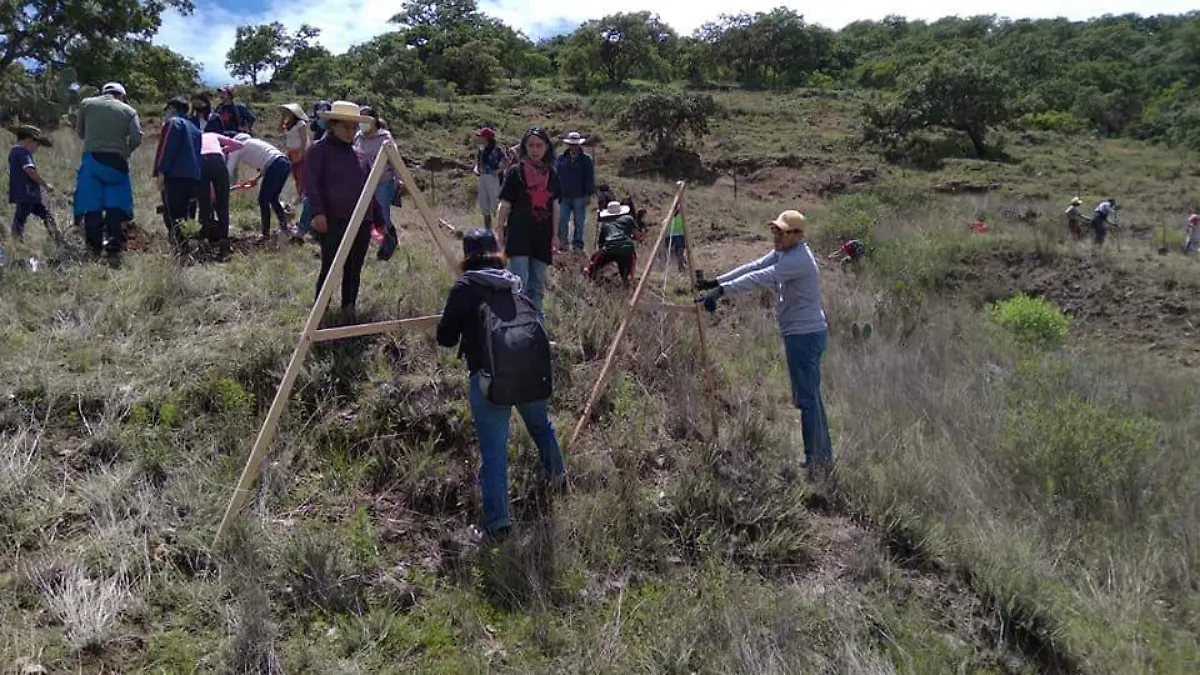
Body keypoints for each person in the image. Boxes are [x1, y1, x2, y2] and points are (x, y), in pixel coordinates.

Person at [436, 228, 565, 539]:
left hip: (489, 380)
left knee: (494, 453)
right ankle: (559, 478)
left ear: (467, 255)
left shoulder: (465, 286)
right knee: (541, 427)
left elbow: (445, 337)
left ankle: (498, 525)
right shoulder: (513, 282)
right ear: (496, 251)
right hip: (528, 371)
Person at [696, 210, 833, 474]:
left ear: (797, 235)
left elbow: (761, 278)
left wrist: (722, 291)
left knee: (807, 399)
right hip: (800, 333)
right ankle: (819, 455)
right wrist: (716, 281)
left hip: (804, 336)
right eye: (775, 231)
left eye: (782, 232)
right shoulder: (785, 252)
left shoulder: (797, 260)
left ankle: (817, 459)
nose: (776, 236)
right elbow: (755, 266)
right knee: (810, 397)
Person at [306, 100, 384, 313]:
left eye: (354, 127)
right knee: (330, 266)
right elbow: (311, 184)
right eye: (346, 127)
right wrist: (318, 212)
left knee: (354, 267)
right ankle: (320, 311)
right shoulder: (318, 151)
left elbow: (369, 190)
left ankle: (349, 307)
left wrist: (379, 219)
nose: (351, 132)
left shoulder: (359, 156)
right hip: (334, 218)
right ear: (333, 125)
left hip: (361, 220)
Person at [74, 81, 143, 263]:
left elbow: (80, 132)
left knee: (91, 205)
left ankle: (94, 248)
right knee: (116, 205)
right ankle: (115, 246)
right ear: (121, 95)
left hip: (92, 161)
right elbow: (137, 137)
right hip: (117, 163)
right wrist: (126, 151)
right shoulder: (129, 111)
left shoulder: (87, 104)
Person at [496, 127, 560, 319]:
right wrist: (499, 230)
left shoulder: (553, 174)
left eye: (539, 145)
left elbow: (555, 206)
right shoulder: (516, 172)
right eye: (530, 145)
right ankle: (517, 323)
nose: (535, 150)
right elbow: (505, 204)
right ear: (524, 147)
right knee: (518, 282)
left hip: (542, 235)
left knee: (537, 285)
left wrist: (555, 235)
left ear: (547, 147)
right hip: (519, 234)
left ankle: (536, 325)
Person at [152, 97, 203, 252]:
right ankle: (187, 246)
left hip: (175, 177)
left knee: (173, 215)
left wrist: (160, 172)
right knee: (187, 215)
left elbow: (166, 149)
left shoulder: (173, 123)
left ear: (172, 108)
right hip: (193, 177)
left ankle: (179, 249)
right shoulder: (195, 129)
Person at [227, 133, 292, 241]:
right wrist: (256, 179)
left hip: (275, 165)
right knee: (273, 198)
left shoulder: (238, 147)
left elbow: (229, 171)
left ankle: (265, 234)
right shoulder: (254, 142)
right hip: (284, 164)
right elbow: (268, 160)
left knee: (263, 199)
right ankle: (284, 227)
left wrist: (222, 187)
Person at [6, 125, 62, 246]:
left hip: (24, 194)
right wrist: (45, 184)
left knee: (45, 215)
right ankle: (16, 246)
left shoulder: (14, 152)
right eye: (37, 145)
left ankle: (57, 239)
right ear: (29, 141)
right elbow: (30, 171)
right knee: (20, 220)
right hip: (28, 193)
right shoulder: (23, 152)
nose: (37, 148)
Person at [355, 106, 399, 260]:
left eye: (366, 118)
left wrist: (399, 179)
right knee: (367, 215)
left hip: (383, 181)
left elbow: (395, 159)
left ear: (374, 120)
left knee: (383, 214)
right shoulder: (358, 137)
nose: (363, 122)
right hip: (363, 182)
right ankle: (370, 242)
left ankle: (388, 245)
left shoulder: (384, 137)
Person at [197, 132, 242, 258]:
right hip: (217, 161)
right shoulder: (214, 135)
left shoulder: (196, 137)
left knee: (204, 203)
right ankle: (224, 245)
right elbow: (239, 145)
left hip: (201, 162)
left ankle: (203, 242)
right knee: (222, 203)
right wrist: (224, 149)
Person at [584, 200, 643, 285]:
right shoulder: (628, 219)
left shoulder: (605, 223)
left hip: (610, 247)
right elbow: (638, 236)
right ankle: (630, 279)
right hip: (626, 247)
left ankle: (590, 276)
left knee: (593, 265)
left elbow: (600, 243)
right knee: (628, 267)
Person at [555, 131, 594, 253]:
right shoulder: (561, 159)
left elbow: (589, 177)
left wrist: (588, 194)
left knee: (579, 222)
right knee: (562, 220)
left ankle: (578, 245)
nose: (574, 147)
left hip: (580, 196)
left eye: (576, 144)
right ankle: (563, 244)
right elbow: (556, 177)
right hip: (564, 195)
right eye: (571, 144)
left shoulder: (586, 160)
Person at [473, 127, 506, 229]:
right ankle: (488, 231)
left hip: (493, 178)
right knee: (484, 205)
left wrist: (498, 171)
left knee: (496, 204)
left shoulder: (497, 149)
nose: (479, 138)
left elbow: (506, 161)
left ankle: (502, 229)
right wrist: (476, 169)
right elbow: (478, 164)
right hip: (482, 177)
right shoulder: (481, 150)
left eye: (481, 136)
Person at [280, 103, 310, 211]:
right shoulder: (288, 123)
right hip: (291, 152)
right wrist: (282, 118)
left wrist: (302, 153)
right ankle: (300, 195)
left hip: (300, 152)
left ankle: (302, 196)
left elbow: (304, 139)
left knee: (302, 174)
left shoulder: (301, 124)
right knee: (296, 175)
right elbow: (280, 130)